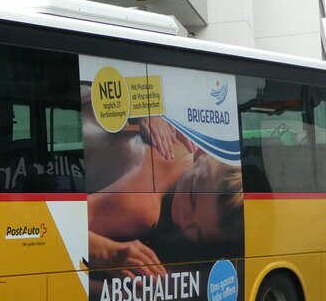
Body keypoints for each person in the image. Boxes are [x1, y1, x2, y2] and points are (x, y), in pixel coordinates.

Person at [88, 116, 242, 278]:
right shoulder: (143, 208)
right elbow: (62, 229)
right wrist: (106, 251)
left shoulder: (183, 135)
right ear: (202, 153)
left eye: (197, 231)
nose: (185, 219)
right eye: (192, 198)